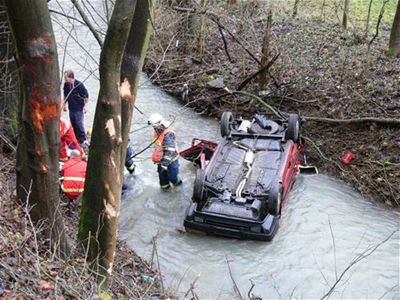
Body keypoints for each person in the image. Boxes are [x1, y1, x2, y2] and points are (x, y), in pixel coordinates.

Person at [148, 113, 182, 190]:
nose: (153, 128)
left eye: (153, 126)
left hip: (171, 161)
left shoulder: (168, 134)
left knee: (173, 178)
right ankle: (165, 192)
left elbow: (170, 150)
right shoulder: (157, 131)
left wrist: (165, 163)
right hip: (161, 160)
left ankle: (179, 186)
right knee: (163, 182)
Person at [63, 70, 89, 145]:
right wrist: (64, 105)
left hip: (79, 108)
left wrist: (85, 106)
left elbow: (86, 96)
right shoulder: (66, 85)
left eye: (66, 77)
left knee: (79, 123)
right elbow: (65, 95)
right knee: (73, 123)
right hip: (71, 107)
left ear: (71, 77)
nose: (65, 79)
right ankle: (76, 139)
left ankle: (83, 140)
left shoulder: (79, 85)